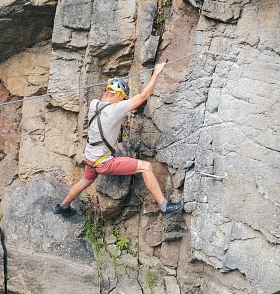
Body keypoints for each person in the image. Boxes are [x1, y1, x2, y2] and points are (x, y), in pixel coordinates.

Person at [54, 62, 183, 217]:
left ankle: (64, 206)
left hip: (90, 158)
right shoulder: (116, 110)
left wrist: (111, 85)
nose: (123, 102)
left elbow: (109, 91)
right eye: (123, 99)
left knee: (85, 181)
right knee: (146, 167)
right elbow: (143, 96)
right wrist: (156, 73)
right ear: (120, 96)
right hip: (104, 163)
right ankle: (164, 206)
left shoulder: (94, 104)